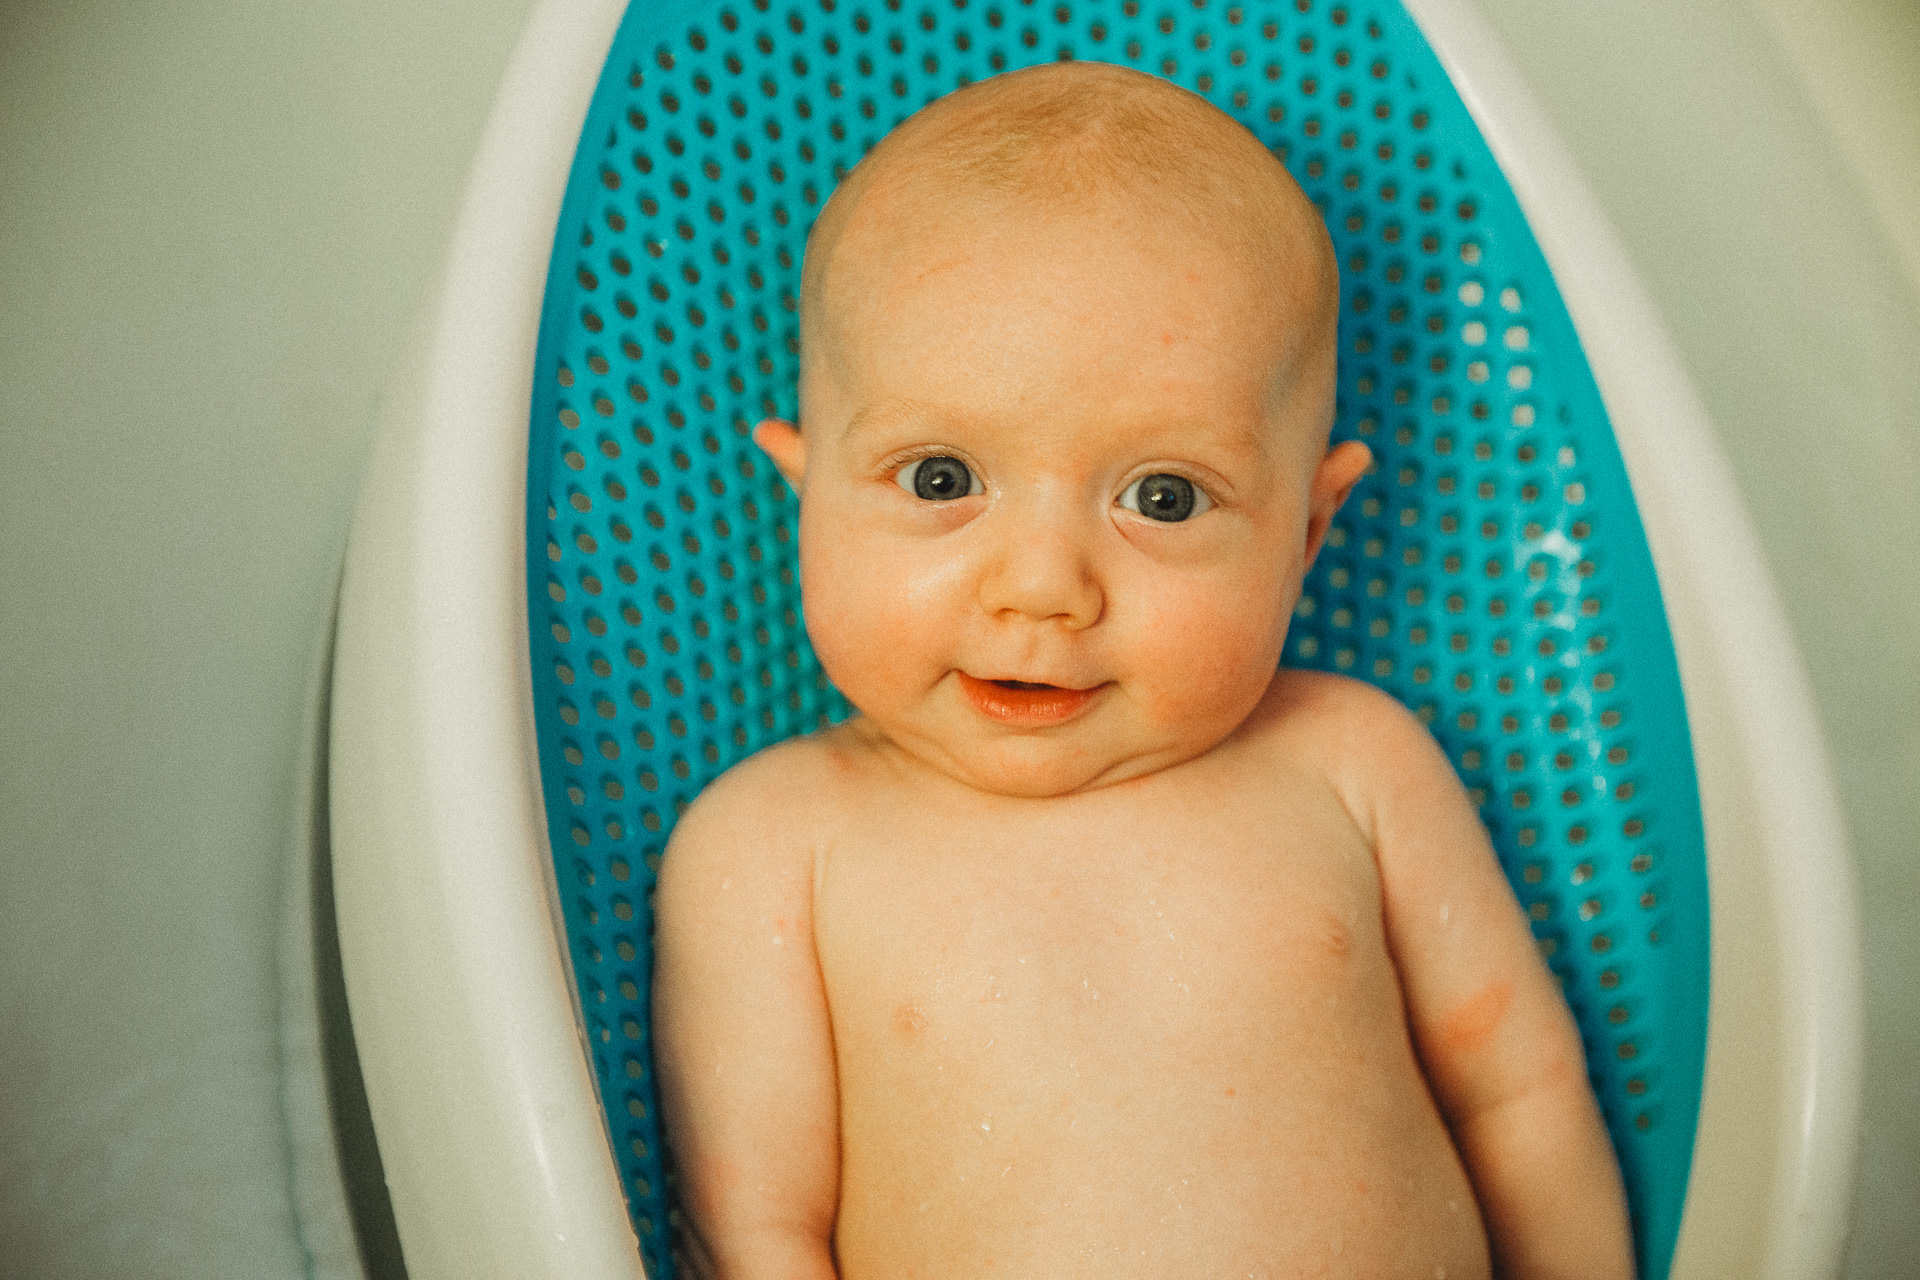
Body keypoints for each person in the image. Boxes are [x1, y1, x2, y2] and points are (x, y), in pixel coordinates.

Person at [651, 60, 1633, 1280]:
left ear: (1305, 534)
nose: (1044, 586)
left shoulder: (1353, 761)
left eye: (1161, 497)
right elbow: (754, 1235)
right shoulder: (771, 849)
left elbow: (1521, 1090)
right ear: (804, 497)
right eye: (942, 479)